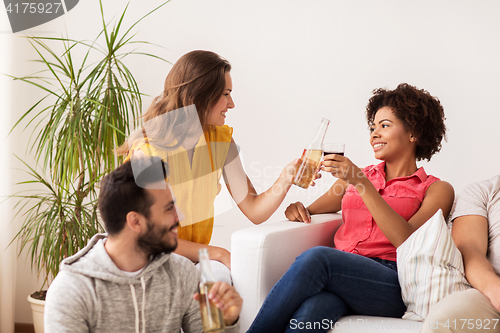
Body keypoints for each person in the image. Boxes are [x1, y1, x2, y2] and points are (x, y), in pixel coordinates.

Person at [247, 83, 455, 333]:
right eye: (373, 127)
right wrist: (296, 208)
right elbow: (310, 210)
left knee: (319, 258)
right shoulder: (358, 177)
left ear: (414, 133)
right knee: (313, 311)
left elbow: (407, 240)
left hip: (393, 282)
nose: (374, 134)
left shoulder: (435, 189)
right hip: (345, 275)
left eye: (385, 126)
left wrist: (361, 182)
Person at [118, 50, 300, 278]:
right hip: (149, 263)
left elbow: (254, 209)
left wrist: (287, 177)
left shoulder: (220, 140)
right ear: (201, 95)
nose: (231, 104)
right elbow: (152, 235)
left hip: (192, 262)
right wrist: (219, 253)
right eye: (225, 94)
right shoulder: (147, 150)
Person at [44, 159, 242, 333]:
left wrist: (228, 321)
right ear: (135, 222)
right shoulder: (71, 291)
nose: (179, 217)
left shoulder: (182, 273)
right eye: (169, 208)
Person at [422, 176, 500, 333]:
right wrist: (495, 290)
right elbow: (469, 249)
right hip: (492, 294)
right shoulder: (484, 191)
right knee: (442, 321)